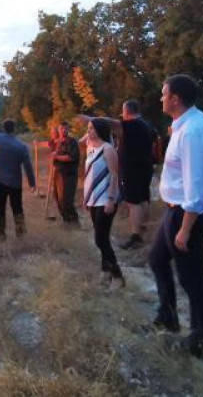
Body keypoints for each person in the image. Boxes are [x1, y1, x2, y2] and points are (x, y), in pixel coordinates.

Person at [148, 75, 203, 359]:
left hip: (188, 213)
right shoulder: (184, 125)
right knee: (156, 258)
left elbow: (196, 185)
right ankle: (168, 316)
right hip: (175, 210)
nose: (161, 98)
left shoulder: (193, 131)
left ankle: (201, 342)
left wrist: (185, 229)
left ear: (175, 98)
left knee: (192, 279)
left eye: (164, 94)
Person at [84, 118, 125, 289]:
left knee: (100, 239)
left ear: (100, 130)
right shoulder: (90, 148)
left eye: (92, 128)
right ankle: (105, 270)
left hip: (106, 199)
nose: (89, 131)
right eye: (88, 128)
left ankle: (117, 276)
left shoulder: (108, 149)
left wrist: (110, 199)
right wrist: (85, 198)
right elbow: (88, 173)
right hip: (93, 199)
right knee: (102, 237)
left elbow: (114, 175)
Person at [116, 100, 158, 250]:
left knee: (133, 202)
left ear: (127, 111)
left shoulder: (132, 124)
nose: (122, 115)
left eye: (123, 111)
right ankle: (144, 229)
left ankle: (136, 237)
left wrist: (92, 120)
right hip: (144, 167)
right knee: (143, 198)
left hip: (133, 169)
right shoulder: (147, 125)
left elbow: (113, 124)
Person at [51, 121, 80, 226]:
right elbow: (51, 144)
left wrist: (57, 157)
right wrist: (54, 153)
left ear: (68, 129)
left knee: (66, 199)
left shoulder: (72, 142)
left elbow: (72, 157)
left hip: (69, 174)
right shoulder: (58, 142)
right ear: (58, 130)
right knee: (58, 198)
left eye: (65, 128)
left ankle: (74, 222)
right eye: (61, 128)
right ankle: (66, 220)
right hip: (58, 173)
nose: (63, 130)